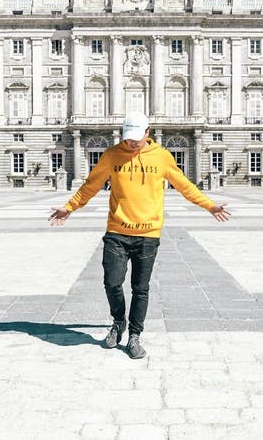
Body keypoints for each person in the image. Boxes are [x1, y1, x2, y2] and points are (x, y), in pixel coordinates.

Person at [48, 111, 231, 359]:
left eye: (136, 137)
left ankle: (134, 335)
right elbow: (90, 185)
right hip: (116, 232)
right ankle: (118, 321)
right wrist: (69, 207)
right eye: (128, 137)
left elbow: (184, 185)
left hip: (148, 234)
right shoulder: (112, 155)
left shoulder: (162, 157)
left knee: (140, 288)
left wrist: (210, 206)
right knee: (112, 282)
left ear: (148, 132)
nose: (131, 142)